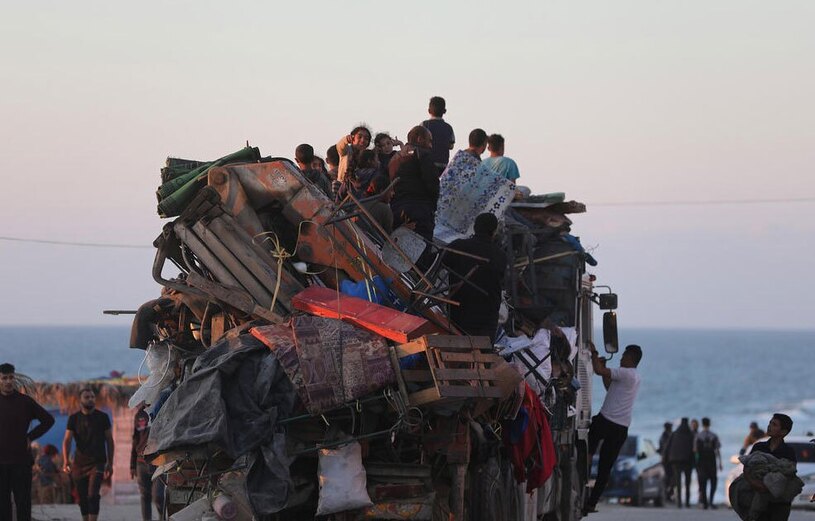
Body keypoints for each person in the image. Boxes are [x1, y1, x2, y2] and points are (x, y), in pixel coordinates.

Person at [583, 344, 643, 515]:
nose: (621, 358)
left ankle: (583, 478)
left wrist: (594, 354)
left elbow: (598, 371)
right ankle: (591, 503)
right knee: (605, 467)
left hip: (606, 421)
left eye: (624, 356)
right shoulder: (634, 377)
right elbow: (610, 387)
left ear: (631, 358)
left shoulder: (625, 373)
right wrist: (603, 368)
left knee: (588, 449)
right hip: (621, 428)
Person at [0, 363, 55, 521]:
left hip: (21, 462)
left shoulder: (24, 402)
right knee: (2, 506)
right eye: (4, 378)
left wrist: (30, 436)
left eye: (11, 377)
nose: (8, 381)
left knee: (23, 504)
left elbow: (48, 420)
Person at [441, 213, 507, 342]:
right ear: (494, 232)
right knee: (482, 355)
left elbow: (435, 263)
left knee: (456, 351)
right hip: (487, 317)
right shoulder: (501, 256)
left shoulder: (459, 246)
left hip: (460, 311)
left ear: (475, 227)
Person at [62, 388, 114, 521]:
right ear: (80, 400)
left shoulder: (103, 417)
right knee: (82, 497)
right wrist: (66, 461)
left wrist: (110, 463)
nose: (90, 399)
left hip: (97, 463)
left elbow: (109, 440)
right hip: (79, 464)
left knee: (93, 495)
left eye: (92, 397)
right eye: (87, 397)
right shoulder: (73, 418)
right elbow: (67, 440)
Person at [389, 126, 438, 240]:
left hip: (397, 208)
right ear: (420, 139)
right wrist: (433, 206)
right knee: (420, 248)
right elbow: (432, 183)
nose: (430, 145)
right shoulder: (423, 155)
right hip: (419, 209)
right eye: (429, 141)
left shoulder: (394, 158)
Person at [748, 413, 797, 521]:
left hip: (780, 504)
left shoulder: (788, 452)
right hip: (758, 501)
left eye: (774, 424)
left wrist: (769, 486)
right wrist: (754, 483)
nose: (769, 426)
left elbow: (790, 474)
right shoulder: (758, 446)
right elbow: (747, 469)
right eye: (770, 423)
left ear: (784, 432)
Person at [131, 407, 165, 521]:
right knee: (145, 496)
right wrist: (132, 465)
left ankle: (162, 516)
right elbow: (135, 439)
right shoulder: (140, 414)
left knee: (159, 497)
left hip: (159, 461)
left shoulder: (163, 407)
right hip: (141, 463)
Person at [664, 417, 694, 508]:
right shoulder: (690, 434)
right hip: (687, 461)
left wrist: (665, 459)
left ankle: (679, 502)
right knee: (688, 482)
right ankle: (687, 502)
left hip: (675, 461)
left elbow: (667, 447)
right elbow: (694, 448)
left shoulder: (674, 433)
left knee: (678, 482)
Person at [421, 96, 455, 172]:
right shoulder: (448, 127)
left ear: (429, 110)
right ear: (445, 111)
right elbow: (451, 146)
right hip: (443, 165)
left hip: (427, 163)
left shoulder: (424, 125)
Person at [695, 417, 722, 509]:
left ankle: (705, 503)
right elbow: (717, 449)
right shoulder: (714, 435)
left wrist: (696, 462)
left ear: (702, 424)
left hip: (701, 461)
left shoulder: (698, 436)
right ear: (709, 424)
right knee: (713, 481)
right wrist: (720, 462)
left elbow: (695, 450)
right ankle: (711, 501)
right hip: (711, 460)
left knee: (703, 482)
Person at [658, 421, 675, 501]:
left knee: (669, 477)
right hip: (669, 460)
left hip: (666, 460)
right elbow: (665, 448)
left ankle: (668, 493)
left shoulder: (663, 436)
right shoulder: (668, 436)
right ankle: (668, 493)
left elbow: (661, 448)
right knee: (671, 477)